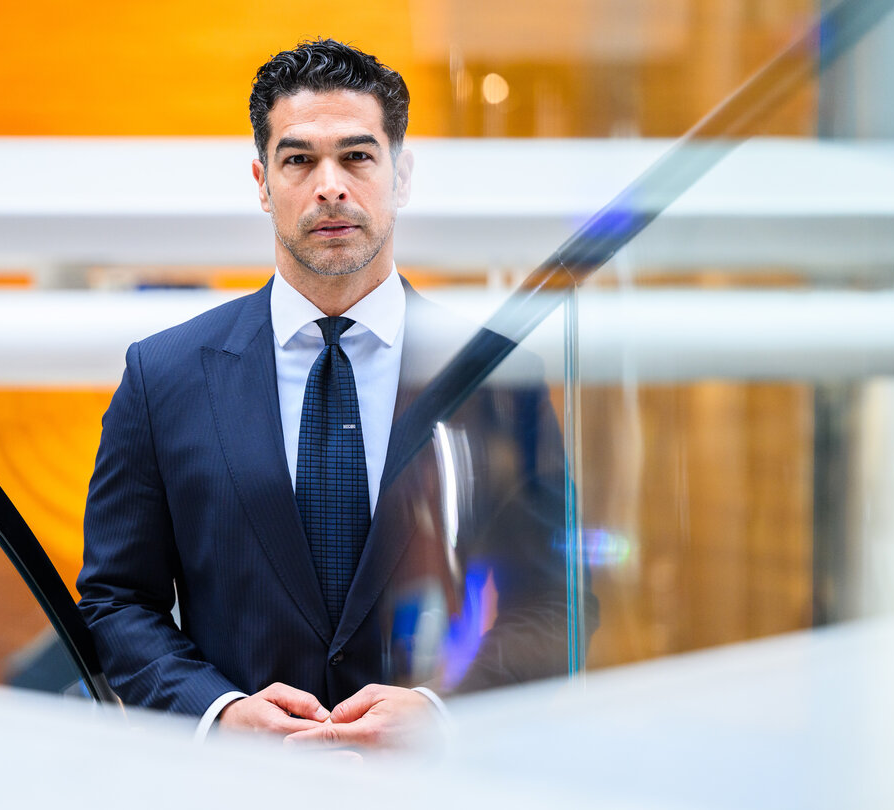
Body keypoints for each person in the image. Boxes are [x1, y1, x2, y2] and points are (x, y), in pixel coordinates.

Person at [77, 39, 593, 752]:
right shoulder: (163, 376)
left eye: (356, 156)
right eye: (298, 160)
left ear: (400, 174)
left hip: (436, 790)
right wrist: (216, 711)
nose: (329, 186)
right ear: (262, 182)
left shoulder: (496, 377)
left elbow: (558, 599)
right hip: (238, 793)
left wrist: (442, 709)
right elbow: (114, 600)